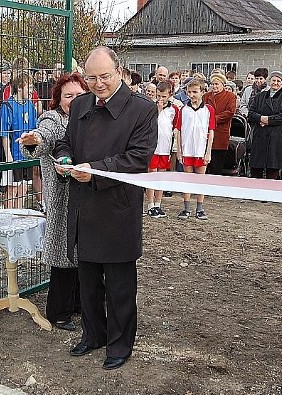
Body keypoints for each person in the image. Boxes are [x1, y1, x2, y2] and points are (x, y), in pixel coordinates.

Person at [52, 46, 157, 370]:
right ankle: (93, 334)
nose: (98, 84)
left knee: (119, 286)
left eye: (105, 77)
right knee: (88, 281)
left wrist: (94, 170)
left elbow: (138, 158)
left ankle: (120, 344)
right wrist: (66, 159)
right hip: (84, 207)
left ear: (119, 71)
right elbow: (66, 141)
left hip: (117, 209)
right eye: (92, 77)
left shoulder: (142, 110)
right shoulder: (81, 103)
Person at [18, 72, 88, 330]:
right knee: (63, 255)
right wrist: (34, 139)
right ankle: (58, 312)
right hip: (62, 197)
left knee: (83, 254)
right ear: (58, 99)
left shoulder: (90, 118)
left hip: (86, 195)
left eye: (79, 94)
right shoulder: (54, 118)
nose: (74, 99)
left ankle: (80, 304)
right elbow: (44, 133)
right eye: (68, 95)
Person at [176, 78, 215, 220]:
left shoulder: (208, 110)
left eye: (195, 92)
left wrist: (208, 151)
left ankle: (200, 207)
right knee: (187, 179)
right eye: (189, 92)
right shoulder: (183, 110)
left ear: (202, 92)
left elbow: (211, 132)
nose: (191, 95)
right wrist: (179, 151)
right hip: (187, 150)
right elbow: (179, 131)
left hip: (200, 150)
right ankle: (186, 208)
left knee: (200, 180)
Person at [0, 72, 38, 208]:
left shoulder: (30, 106)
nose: (32, 90)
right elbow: (4, 133)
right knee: (12, 189)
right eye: (29, 87)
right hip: (13, 154)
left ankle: (19, 216)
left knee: (24, 188)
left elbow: (33, 130)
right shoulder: (7, 106)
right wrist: (8, 154)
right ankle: (8, 219)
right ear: (20, 88)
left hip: (27, 154)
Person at [247, 71, 282, 179]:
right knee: (256, 168)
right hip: (260, 134)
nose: (275, 83)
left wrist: (268, 120)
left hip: (276, 136)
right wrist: (260, 119)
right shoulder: (260, 96)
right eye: (273, 80)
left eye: (278, 81)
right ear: (269, 81)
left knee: (273, 168)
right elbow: (251, 113)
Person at [145, 81, 179, 218]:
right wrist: (158, 110)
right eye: (159, 96)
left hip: (165, 147)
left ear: (170, 95)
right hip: (153, 147)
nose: (161, 99)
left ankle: (158, 204)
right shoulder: (151, 108)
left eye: (164, 96)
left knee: (161, 175)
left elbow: (175, 127)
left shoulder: (174, 109)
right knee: (152, 174)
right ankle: (150, 204)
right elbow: (151, 124)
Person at [203, 73, 236, 175]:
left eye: (217, 84)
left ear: (223, 84)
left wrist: (213, 119)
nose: (214, 86)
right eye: (212, 84)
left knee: (217, 165)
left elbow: (229, 112)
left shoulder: (230, 96)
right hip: (205, 133)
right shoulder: (206, 96)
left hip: (220, 133)